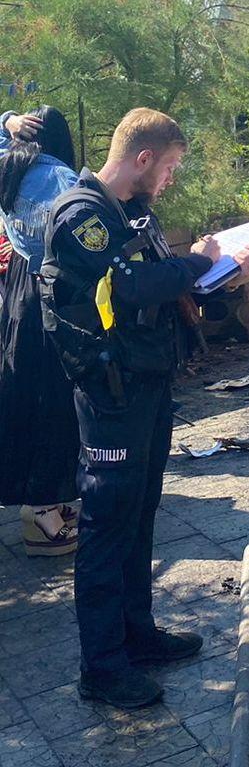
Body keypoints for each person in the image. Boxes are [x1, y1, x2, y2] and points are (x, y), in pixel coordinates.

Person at [41, 107, 249, 709]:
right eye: (168, 168)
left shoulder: (133, 214)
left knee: (141, 514)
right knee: (106, 524)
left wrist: (224, 275)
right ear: (142, 159)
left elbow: (164, 284)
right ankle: (102, 667)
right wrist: (199, 259)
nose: (169, 180)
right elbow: (133, 285)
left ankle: (136, 633)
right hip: (108, 393)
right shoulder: (80, 216)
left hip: (147, 384)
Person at [0, 107, 80, 555]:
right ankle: (45, 516)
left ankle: (39, 506)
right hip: (49, 293)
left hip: (16, 291)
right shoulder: (62, 182)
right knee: (55, 399)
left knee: (22, 392)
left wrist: (8, 119)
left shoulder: (9, 168)